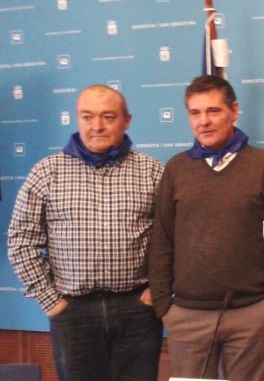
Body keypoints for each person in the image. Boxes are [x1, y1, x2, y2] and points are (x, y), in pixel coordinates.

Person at [7, 84, 164, 381]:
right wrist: (50, 301)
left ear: (126, 120)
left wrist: (158, 289)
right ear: (77, 120)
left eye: (108, 116)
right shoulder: (47, 172)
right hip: (73, 313)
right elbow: (20, 241)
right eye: (87, 117)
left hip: (137, 311)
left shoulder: (153, 172)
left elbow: (174, 238)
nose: (97, 126)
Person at [148, 75, 264, 381]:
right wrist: (164, 306)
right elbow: (162, 239)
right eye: (195, 113)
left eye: (213, 111)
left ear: (234, 110)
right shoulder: (176, 168)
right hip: (186, 316)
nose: (204, 121)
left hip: (250, 313)